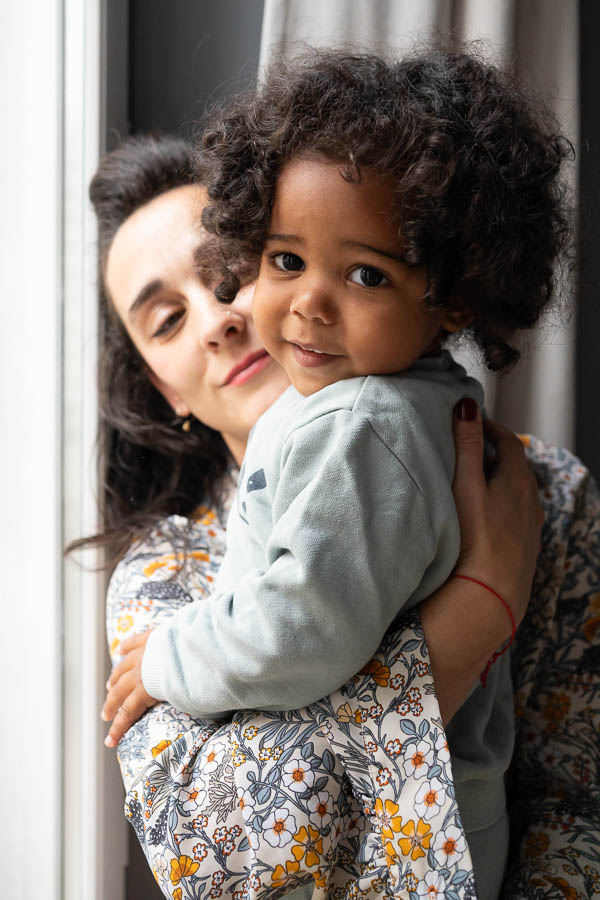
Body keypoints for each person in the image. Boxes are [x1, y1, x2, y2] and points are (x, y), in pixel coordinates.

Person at [101, 48, 571, 899]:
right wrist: (486, 600)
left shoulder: (414, 443)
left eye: (224, 272)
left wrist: (168, 660)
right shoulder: (161, 572)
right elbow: (222, 858)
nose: (222, 317)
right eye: (169, 318)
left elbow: (298, 632)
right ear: (160, 384)